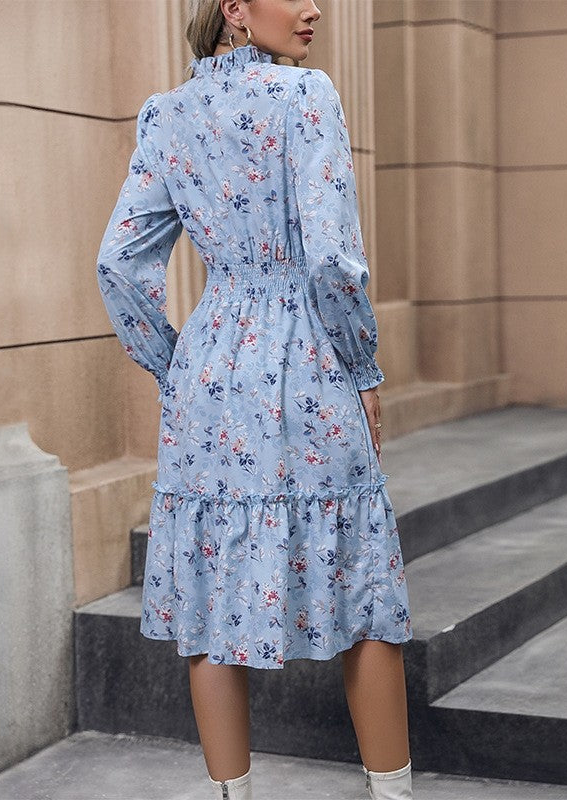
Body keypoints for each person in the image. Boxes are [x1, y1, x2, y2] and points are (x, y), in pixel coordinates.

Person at [95, 1, 414, 798]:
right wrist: (363, 367)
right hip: (310, 359)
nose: (314, 8)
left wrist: (175, 369)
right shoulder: (306, 95)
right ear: (235, 9)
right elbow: (332, 259)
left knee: (212, 600)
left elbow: (119, 267)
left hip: (209, 369)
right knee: (365, 594)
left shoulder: (167, 115)